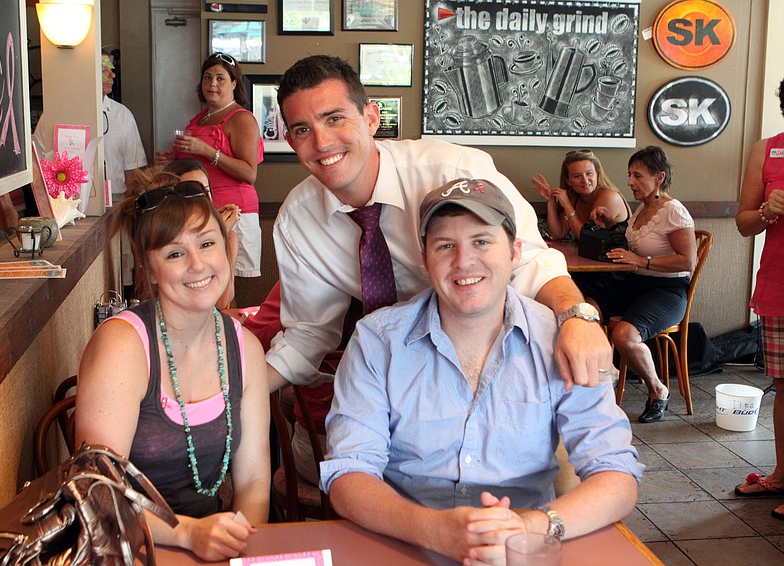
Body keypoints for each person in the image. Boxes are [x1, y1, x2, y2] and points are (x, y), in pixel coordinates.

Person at [321, 178, 642, 565]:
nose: (463, 261)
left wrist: (531, 526)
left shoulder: (563, 338)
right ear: (425, 260)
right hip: (404, 543)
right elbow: (348, 474)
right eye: (445, 246)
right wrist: (433, 530)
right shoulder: (377, 340)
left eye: (482, 241)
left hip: (525, 549)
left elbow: (616, 473)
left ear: (515, 252)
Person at [267, 54, 612, 393]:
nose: (321, 142)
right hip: (389, 375)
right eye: (302, 129)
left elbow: (534, 263)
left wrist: (576, 318)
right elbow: (308, 333)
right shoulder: (299, 220)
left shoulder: (454, 171)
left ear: (371, 118)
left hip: (498, 357)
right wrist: (238, 398)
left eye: (334, 119)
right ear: (290, 139)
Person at [75, 167, 270, 560]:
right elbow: (97, 493)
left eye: (208, 243)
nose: (198, 265)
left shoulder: (245, 348)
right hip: (128, 545)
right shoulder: (122, 346)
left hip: (213, 547)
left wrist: (238, 543)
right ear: (149, 270)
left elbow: (253, 480)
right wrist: (187, 534)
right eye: (176, 253)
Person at [580, 146, 696, 423]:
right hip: (636, 283)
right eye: (629, 175)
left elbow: (687, 261)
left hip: (668, 291)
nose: (630, 181)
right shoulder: (643, 208)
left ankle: (658, 390)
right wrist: (610, 224)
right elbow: (632, 242)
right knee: (584, 312)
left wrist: (641, 261)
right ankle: (600, 382)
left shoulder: (674, 211)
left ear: (659, 177)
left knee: (624, 336)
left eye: (638, 176)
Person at [157, 52, 264, 279]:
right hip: (201, 212)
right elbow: (200, 166)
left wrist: (206, 150)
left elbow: (249, 172)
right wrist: (173, 161)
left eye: (220, 78)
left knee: (225, 283)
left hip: (234, 212)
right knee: (205, 279)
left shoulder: (242, 119)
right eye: (207, 77)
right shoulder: (200, 119)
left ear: (234, 83)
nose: (212, 84)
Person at [733, 77, 784, 520]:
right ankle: (783, 475)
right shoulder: (765, 149)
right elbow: (744, 223)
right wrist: (768, 211)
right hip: (778, 286)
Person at [34, 49, 147, 199]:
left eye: (111, 69)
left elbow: (133, 173)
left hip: (116, 199)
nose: (112, 75)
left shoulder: (122, 115)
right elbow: (37, 169)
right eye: (103, 70)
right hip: (63, 203)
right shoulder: (54, 115)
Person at [165, 158, 241, 307]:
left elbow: (222, 300)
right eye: (191, 191)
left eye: (205, 191)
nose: (202, 199)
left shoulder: (229, 237)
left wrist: (220, 238)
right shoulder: (164, 239)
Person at [532, 149, 629, 240]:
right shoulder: (575, 197)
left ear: (597, 174)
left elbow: (587, 238)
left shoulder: (610, 197)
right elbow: (557, 234)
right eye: (577, 176)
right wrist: (551, 200)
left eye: (589, 173)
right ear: (568, 181)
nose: (585, 180)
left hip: (617, 256)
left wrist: (567, 205)